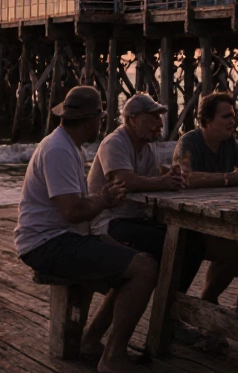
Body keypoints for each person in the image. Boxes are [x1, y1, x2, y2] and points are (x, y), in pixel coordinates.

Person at [14, 86, 157, 373]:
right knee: (144, 269)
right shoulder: (58, 151)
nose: (101, 124)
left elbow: (76, 204)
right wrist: (104, 201)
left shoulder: (67, 146)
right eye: (100, 118)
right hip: (46, 245)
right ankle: (113, 358)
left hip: (61, 238)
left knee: (131, 260)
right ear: (92, 120)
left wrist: (101, 198)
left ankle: (91, 343)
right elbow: (72, 212)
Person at [83, 93, 204, 353]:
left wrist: (172, 178)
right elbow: (125, 180)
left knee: (191, 242)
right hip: (108, 222)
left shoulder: (147, 147)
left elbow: (149, 186)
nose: (159, 124)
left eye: (160, 118)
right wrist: (163, 182)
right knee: (167, 246)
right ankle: (166, 320)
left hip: (135, 219)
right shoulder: (114, 143)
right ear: (132, 119)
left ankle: (171, 313)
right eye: (153, 118)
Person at [172, 91, 238, 304]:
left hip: (221, 215)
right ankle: (208, 299)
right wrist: (229, 178)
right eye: (226, 117)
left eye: (233, 115)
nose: (233, 121)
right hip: (190, 220)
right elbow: (186, 177)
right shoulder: (189, 141)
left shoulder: (228, 142)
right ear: (207, 120)